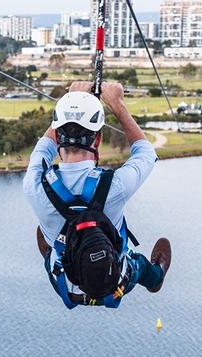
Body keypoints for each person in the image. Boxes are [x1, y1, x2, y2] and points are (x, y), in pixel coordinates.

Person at [23, 81, 172, 308]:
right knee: (138, 264)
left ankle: (53, 248)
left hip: (63, 282)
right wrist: (117, 105)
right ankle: (156, 278)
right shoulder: (115, 186)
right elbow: (146, 153)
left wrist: (71, 101)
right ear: (98, 139)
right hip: (116, 281)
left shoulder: (34, 185)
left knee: (52, 245)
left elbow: (43, 148)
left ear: (58, 135)